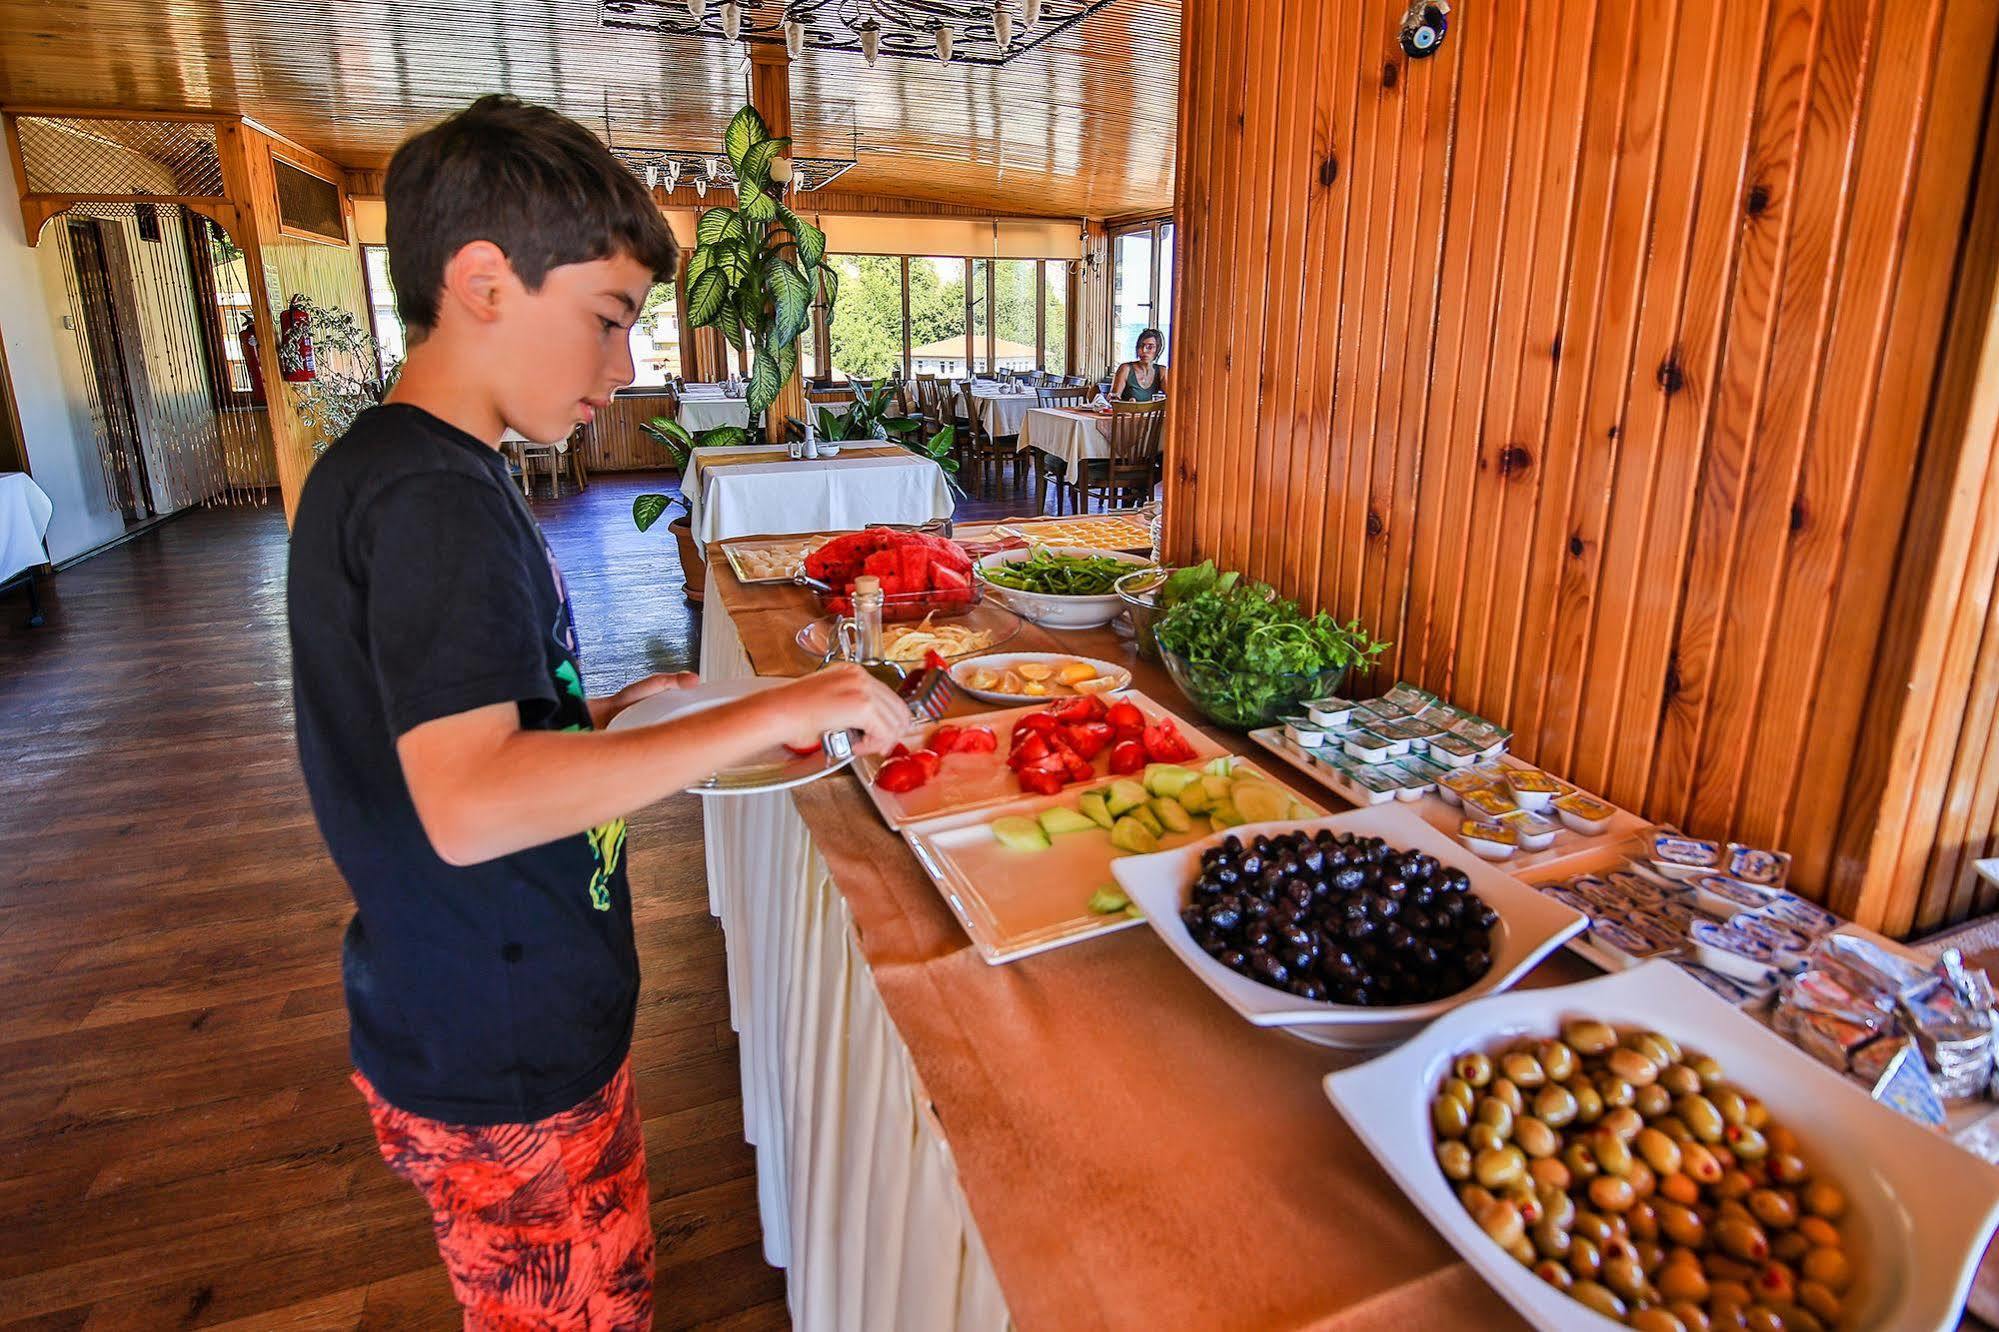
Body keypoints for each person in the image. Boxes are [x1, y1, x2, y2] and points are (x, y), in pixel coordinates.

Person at [285, 95, 911, 1330]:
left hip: (465, 1007)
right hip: (504, 1046)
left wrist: (612, 711)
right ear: (483, 281)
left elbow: (456, 729)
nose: (622, 366)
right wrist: (761, 712)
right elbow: (468, 808)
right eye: (609, 318)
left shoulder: (397, 468)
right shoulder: (435, 499)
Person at [1110, 327, 1168, 402]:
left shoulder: (1161, 371)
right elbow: (1114, 400)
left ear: (1157, 349)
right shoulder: (1125, 369)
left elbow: (1172, 398)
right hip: (1127, 413)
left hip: (1151, 413)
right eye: (1141, 346)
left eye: (1150, 347)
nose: (1144, 350)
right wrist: (1126, 405)